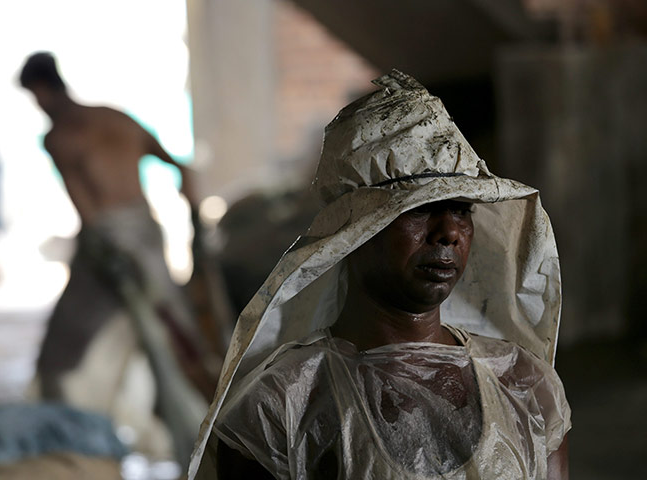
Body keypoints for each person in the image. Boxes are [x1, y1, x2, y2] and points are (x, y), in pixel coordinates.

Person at [188, 70, 571, 479]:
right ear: (355, 231)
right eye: (420, 209)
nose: (449, 232)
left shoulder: (524, 386)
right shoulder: (282, 406)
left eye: (462, 209)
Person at [19, 52, 207, 468]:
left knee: (69, 353)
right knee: (172, 335)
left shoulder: (61, 136)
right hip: (145, 235)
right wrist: (192, 208)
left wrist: (102, 251)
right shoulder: (117, 119)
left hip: (110, 242)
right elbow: (182, 168)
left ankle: (78, 444)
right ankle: (192, 441)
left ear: (42, 90)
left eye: (34, 96)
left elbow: (86, 209)